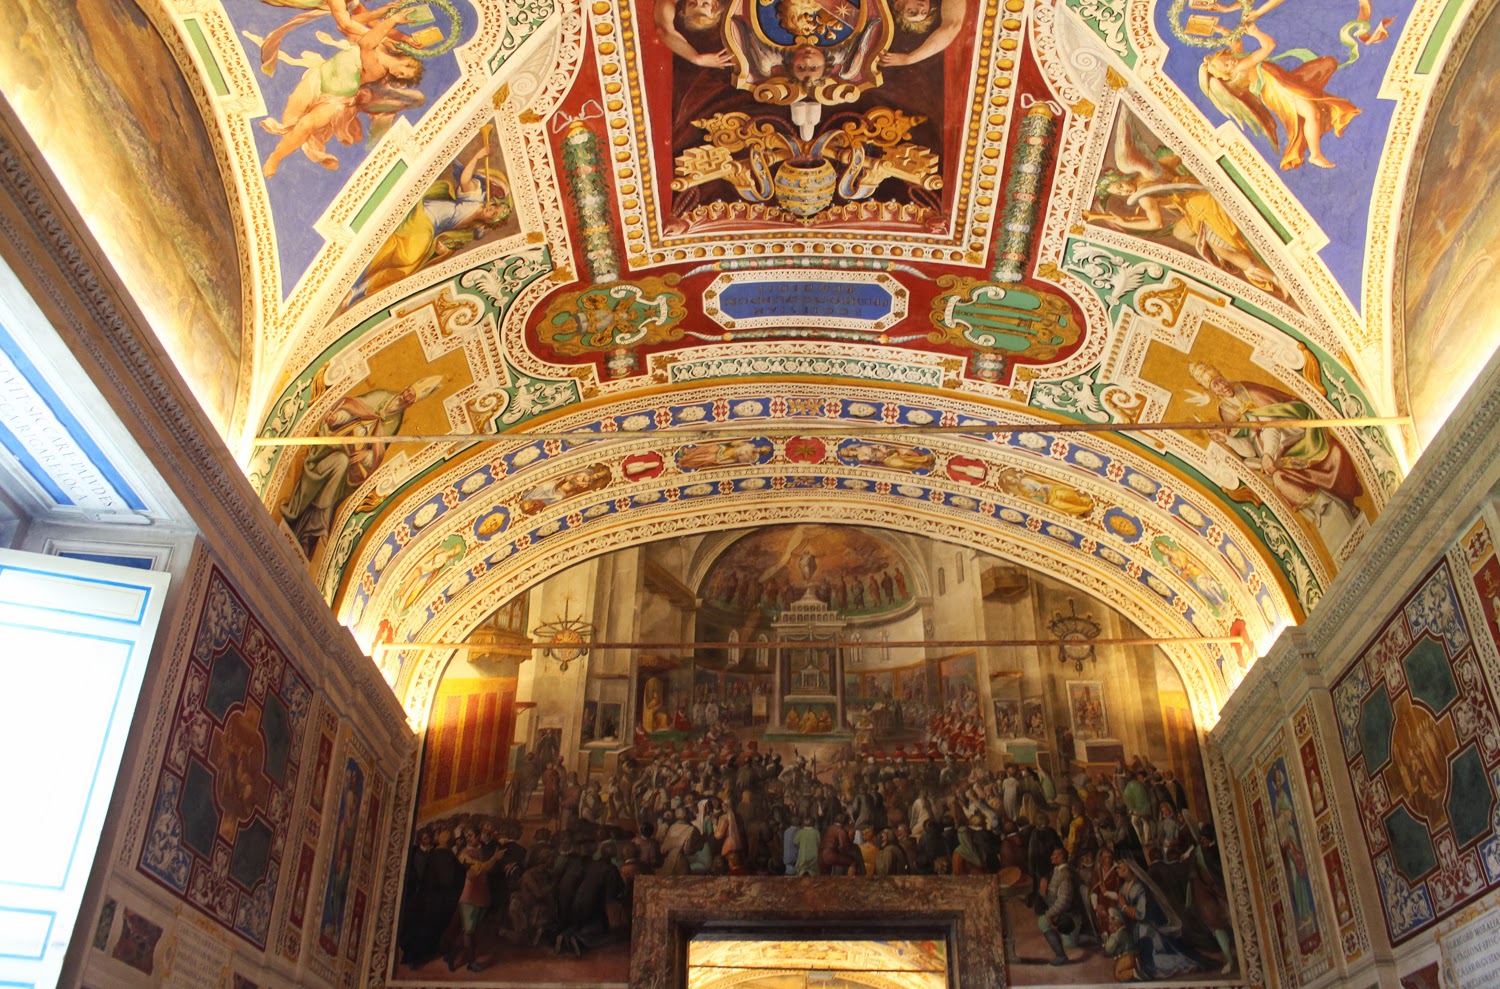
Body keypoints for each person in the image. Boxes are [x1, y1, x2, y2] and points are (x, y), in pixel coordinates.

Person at [280, 376, 442, 556]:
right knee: (340, 462)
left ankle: (313, 530)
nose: (405, 396)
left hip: (349, 458)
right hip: (331, 445)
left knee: (342, 467)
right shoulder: (381, 396)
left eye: (410, 397)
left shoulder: (395, 421)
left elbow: (378, 451)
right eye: (408, 391)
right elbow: (352, 408)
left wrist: (366, 456)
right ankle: (316, 525)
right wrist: (336, 418)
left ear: (412, 403)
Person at [259, 4, 427, 176]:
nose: (398, 75)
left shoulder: (378, 70)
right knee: (289, 119)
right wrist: (379, 13)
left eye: (402, 77)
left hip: (336, 98)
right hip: (318, 79)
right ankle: (282, 148)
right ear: (406, 60)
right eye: (403, 71)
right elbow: (352, 22)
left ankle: (275, 158)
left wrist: (393, 20)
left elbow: (367, 44)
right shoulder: (383, 44)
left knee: (305, 125)